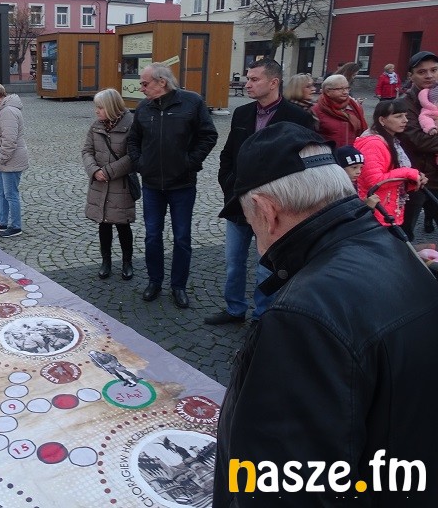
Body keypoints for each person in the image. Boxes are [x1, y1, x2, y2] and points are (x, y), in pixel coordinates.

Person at [212, 121, 438, 507]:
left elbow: (283, 487)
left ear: (266, 211)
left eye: (250, 223)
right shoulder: (398, 249)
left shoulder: (302, 316)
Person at [204, 58, 315, 326]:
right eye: (247, 78)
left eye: (254, 79)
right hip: (239, 203)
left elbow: (305, 163)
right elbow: (228, 154)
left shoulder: (298, 117)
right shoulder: (242, 113)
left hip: (274, 208)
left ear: (273, 82)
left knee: (267, 266)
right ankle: (234, 309)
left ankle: (262, 316)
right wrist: (229, 185)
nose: (247, 84)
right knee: (233, 262)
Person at [126, 62, 217, 307]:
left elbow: (208, 135)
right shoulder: (143, 107)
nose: (141, 88)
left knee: (182, 238)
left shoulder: (192, 102)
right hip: (152, 185)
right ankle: (154, 281)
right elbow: (133, 140)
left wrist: (190, 162)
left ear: (162, 82)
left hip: (182, 185)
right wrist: (141, 164)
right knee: (152, 236)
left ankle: (178, 286)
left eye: (144, 83)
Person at [82, 88, 136, 280]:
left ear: (111, 107)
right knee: (103, 224)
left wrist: (108, 172)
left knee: (123, 225)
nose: (96, 111)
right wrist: (94, 171)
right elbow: (87, 150)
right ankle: (106, 262)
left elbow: (133, 156)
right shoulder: (96, 126)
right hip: (99, 184)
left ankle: (127, 262)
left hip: (120, 185)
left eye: (100, 107)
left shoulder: (131, 125)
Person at [355, 101, 426, 228]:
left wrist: (414, 179)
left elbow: (392, 176)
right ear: (382, 120)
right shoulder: (373, 144)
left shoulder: (391, 140)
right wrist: (408, 173)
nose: (405, 120)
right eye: (398, 116)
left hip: (387, 207)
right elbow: (375, 182)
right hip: (378, 212)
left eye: (405, 115)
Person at [396, 51, 438, 239]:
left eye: (434, 70)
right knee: (404, 235)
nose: (429, 75)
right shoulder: (403, 105)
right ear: (410, 76)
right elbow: (418, 140)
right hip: (416, 179)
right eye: (422, 72)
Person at [0, 81, 28, 238]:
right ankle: (2, 222)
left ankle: (15, 226)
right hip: (4, 160)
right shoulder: (3, 110)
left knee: (10, 194)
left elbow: (9, 140)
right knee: (2, 192)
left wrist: (0, 157)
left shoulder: (8, 111)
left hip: (10, 160)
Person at [312, 74, 368, 146]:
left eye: (347, 88)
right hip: (329, 151)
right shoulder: (316, 110)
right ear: (328, 91)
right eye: (340, 89)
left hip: (352, 151)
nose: (345, 92)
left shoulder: (355, 107)